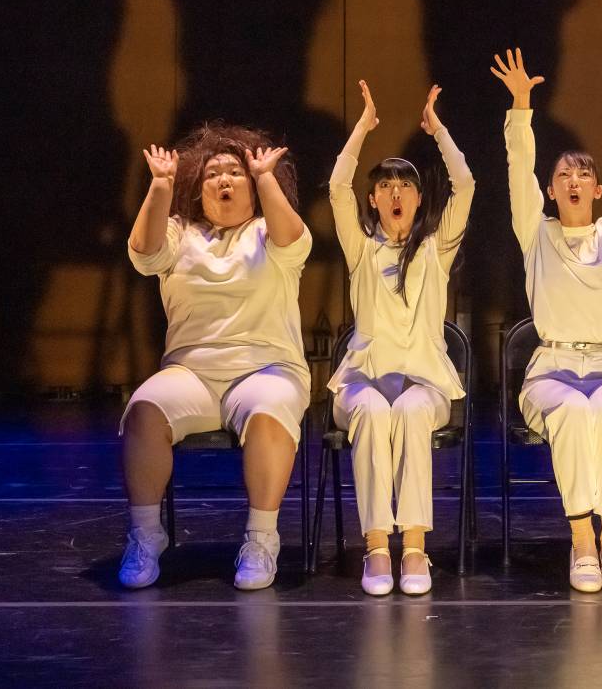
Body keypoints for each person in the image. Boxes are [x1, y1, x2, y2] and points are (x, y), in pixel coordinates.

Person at [118, 124, 311, 591]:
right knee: (143, 411)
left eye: (235, 172)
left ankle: (261, 540)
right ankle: (146, 536)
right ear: (197, 187)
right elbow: (143, 254)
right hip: (192, 373)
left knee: (269, 413)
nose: (224, 179)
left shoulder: (268, 232)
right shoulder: (179, 233)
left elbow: (294, 239)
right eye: (212, 174)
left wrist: (265, 176)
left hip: (267, 369)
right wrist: (160, 185)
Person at [493, 45, 602, 593]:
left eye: (585, 174)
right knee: (574, 410)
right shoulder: (536, 234)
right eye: (565, 175)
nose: (575, 180)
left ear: (598, 190)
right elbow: (518, 169)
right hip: (552, 370)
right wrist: (520, 107)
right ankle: (582, 542)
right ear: (552, 189)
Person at [327, 81, 475, 595]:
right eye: (386, 186)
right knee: (372, 411)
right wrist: (363, 128)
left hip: (424, 384)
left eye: (405, 186)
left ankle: (413, 548)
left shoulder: (436, 250)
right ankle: (375, 548)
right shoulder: (361, 249)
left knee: (410, 411)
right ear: (373, 199)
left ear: (418, 198)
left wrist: (438, 132)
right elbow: (336, 188)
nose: (395, 193)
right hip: (362, 381)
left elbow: (465, 185)